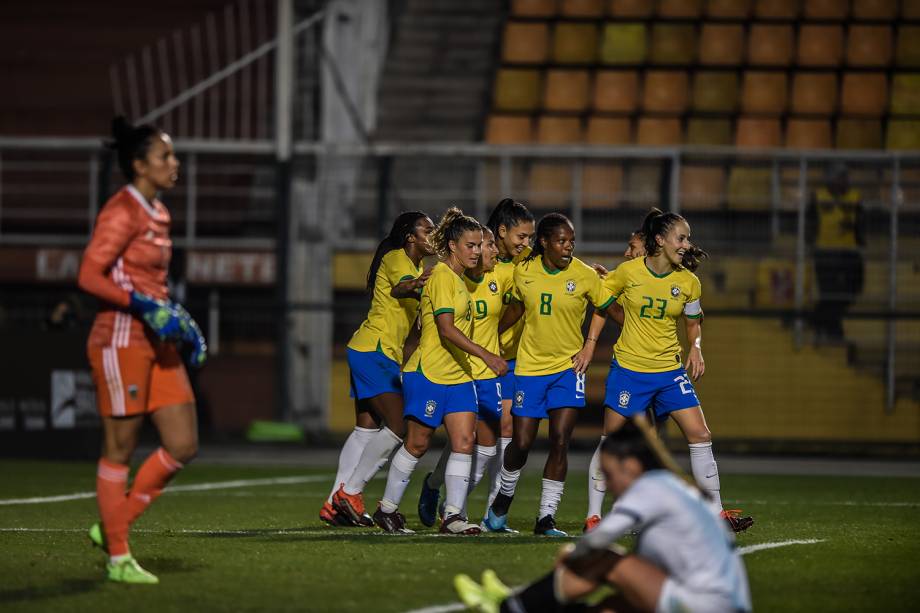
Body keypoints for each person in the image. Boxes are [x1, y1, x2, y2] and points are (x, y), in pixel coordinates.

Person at [77, 116, 208, 584]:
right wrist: (140, 306)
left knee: (183, 443)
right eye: (165, 157)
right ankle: (118, 557)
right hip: (120, 337)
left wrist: (179, 319)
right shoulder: (122, 210)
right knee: (119, 450)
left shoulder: (159, 212)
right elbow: (89, 276)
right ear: (138, 165)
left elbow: (150, 281)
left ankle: (113, 525)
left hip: (156, 338)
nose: (175, 164)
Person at [454, 421, 752, 613]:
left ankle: (510, 607)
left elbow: (602, 537)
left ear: (631, 466)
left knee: (608, 560)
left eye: (608, 474)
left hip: (704, 605)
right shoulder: (671, 487)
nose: (606, 485)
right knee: (611, 607)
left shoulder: (651, 487)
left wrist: (573, 554)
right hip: (711, 602)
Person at [582, 208, 753, 533]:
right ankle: (594, 517)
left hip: (669, 372)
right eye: (681, 237)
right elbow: (602, 306)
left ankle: (716, 515)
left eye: (688, 238)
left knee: (700, 434)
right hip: (630, 370)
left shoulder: (689, 282)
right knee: (611, 442)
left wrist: (696, 348)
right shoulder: (628, 272)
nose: (687, 244)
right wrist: (591, 343)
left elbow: (693, 324)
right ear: (660, 240)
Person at [373, 207, 507, 534]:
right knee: (417, 444)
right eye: (471, 246)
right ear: (453, 247)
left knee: (465, 440)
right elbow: (446, 329)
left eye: (480, 245)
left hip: (459, 376)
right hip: (429, 373)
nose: (477, 252)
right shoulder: (442, 277)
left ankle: (453, 516)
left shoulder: (459, 280)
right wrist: (487, 356)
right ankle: (386, 509)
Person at [484, 213, 614, 537]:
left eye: (571, 240)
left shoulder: (584, 275)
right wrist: (491, 337)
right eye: (561, 241)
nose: (568, 246)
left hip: (569, 370)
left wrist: (590, 346)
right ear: (544, 243)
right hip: (529, 369)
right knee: (522, 442)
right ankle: (503, 498)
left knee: (560, 441)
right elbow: (515, 309)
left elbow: (607, 306)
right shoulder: (523, 270)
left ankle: (546, 518)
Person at [323, 211, 436, 526]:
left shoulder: (417, 265)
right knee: (400, 425)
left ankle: (335, 504)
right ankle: (350, 494)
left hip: (371, 351)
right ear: (410, 237)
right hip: (374, 351)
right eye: (428, 230)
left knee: (365, 430)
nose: (433, 234)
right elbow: (402, 289)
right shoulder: (398, 258)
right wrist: (418, 283)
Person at [417, 225, 514, 528]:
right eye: (487, 246)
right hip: (460, 368)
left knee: (481, 446)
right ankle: (443, 498)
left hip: (489, 371)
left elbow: (526, 300)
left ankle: (451, 503)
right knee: (469, 441)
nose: (491, 252)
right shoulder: (451, 277)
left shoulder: (502, 275)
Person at [807, 163, 865, 344]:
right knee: (830, 293)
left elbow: (861, 223)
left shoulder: (855, 198)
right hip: (825, 252)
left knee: (853, 290)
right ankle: (833, 330)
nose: (845, 180)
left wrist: (860, 238)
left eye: (846, 177)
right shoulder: (818, 197)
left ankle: (815, 319)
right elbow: (809, 223)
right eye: (841, 177)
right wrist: (811, 243)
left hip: (850, 252)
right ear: (831, 180)